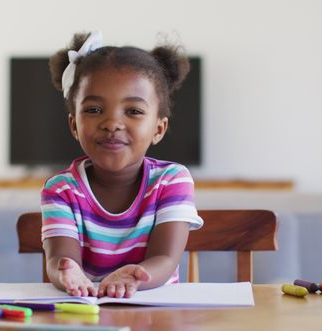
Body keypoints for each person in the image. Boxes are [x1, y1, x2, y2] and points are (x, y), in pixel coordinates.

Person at [41, 31, 203, 299]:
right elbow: (61, 259)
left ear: (158, 129)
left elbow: (165, 257)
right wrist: (66, 272)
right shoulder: (61, 189)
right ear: (74, 124)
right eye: (94, 110)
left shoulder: (172, 180)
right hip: (87, 314)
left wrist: (134, 277)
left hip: (157, 315)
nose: (112, 123)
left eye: (133, 111)